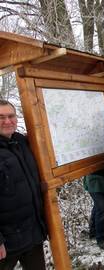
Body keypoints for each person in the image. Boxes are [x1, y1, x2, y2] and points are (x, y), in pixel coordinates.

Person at [0, 100, 47, 270]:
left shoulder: (21, 143)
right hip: (6, 242)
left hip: (33, 233)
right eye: (1, 117)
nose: (7, 121)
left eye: (11, 116)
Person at [84, 167, 104, 250]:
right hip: (94, 179)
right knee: (101, 208)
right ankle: (101, 238)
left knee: (99, 206)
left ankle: (94, 231)